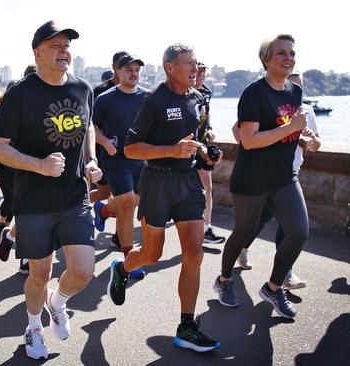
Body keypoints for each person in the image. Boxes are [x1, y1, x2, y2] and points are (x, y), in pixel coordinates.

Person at [0, 21, 102, 360]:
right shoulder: (22, 93)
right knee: (40, 272)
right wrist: (38, 165)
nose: (64, 50)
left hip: (74, 196)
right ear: (37, 52)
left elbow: (89, 124)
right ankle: (34, 328)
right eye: (55, 45)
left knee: (82, 271)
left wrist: (91, 160)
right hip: (34, 201)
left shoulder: (82, 88)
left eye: (67, 45)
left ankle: (58, 302)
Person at [106, 44, 221, 353]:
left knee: (194, 253)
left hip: (187, 181)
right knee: (152, 255)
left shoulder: (198, 98)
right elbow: (131, 148)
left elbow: (195, 138)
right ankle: (123, 269)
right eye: (189, 64)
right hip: (157, 181)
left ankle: (187, 326)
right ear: (170, 67)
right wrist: (170, 150)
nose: (195, 69)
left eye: (196, 64)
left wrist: (205, 155)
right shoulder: (153, 100)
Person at [214, 35, 309, 320]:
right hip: (251, 180)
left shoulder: (295, 92)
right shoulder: (254, 93)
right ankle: (224, 280)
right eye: (281, 53)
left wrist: (303, 137)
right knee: (244, 232)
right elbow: (249, 140)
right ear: (266, 59)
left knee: (299, 231)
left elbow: (286, 130)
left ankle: (273, 287)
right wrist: (291, 127)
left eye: (291, 53)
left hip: (283, 177)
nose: (288, 57)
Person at [233, 71, 320, 289]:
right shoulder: (266, 101)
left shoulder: (306, 111)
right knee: (256, 222)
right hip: (262, 176)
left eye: (298, 87)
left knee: (293, 228)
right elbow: (241, 133)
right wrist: (285, 131)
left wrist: (307, 141)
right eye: (291, 84)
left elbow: (316, 144)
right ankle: (242, 248)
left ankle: (281, 277)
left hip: (289, 174)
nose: (294, 90)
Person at [93, 53, 149, 265]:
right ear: (118, 71)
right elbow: (93, 127)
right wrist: (105, 142)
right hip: (115, 159)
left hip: (141, 159)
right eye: (128, 70)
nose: (134, 74)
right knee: (127, 203)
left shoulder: (147, 97)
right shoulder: (105, 98)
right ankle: (129, 260)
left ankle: (104, 210)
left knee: (136, 202)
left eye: (137, 70)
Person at [0, 65, 38, 276]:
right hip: (15, 164)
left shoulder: (58, 94)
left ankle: (11, 236)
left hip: (46, 166)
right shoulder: (18, 94)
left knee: (36, 211)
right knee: (24, 207)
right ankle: (25, 258)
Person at [195, 62, 226, 244]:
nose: (199, 76)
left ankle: (206, 229)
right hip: (184, 147)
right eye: (196, 72)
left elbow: (206, 116)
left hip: (203, 146)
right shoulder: (180, 93)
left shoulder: (206, 92)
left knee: (207, 187)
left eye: (202, 73)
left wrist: (210, 128)